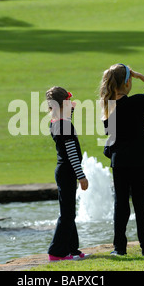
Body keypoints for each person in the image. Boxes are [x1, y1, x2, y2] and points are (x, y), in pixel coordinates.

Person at [99, 63, 144, 256]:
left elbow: (113, 134)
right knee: (140, 206)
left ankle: (119, 248)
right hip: (138, 160)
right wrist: (140, 75)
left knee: (120, 205)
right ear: (127, 82)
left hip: (119, 161)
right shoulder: (136, 102)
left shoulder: (107, 107)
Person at [46, 86, 89, 262]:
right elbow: (71, 153)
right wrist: (82, 176)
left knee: (69, 211)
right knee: (67, 214)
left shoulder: (56, 121)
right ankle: (57, 251)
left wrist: (69, 108)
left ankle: (72, 248)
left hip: (63, 171)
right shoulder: (64, 125)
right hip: (68, 172)